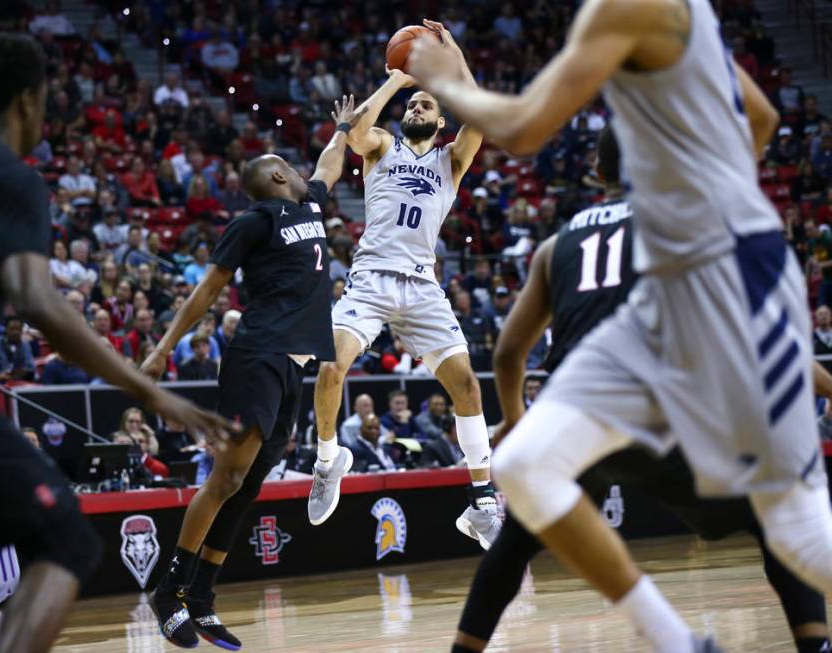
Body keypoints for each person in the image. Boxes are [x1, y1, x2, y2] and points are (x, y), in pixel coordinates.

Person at [410, 14, 832, 646]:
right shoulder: (682, 195)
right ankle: (808, 639)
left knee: (521, 512)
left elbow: (507, 349)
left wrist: (449, 78)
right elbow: (765, 120)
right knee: (784, 529)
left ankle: (473, 646)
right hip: (680, 383)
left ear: (596, 175)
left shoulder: (561, 242)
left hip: (595, 399)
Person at [0, 33, 229, 653]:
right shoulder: (11, 175)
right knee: (66, 534)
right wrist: (153, 393)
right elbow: (36, 301)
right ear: (28, 101)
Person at [139, 95, 359, 649]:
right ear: (280, 175)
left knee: (248, 486)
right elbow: (208, 289)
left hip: (292, 364)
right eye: (292, 167)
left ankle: (204, 600)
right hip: (258, 353)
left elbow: (333, 159)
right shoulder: (254, 220)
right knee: (227, 477)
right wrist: (164, 346)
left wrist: (345, 127)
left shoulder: (310, 203)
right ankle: (171, 592)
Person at [308, 20, 500, 551]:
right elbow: (355, 130)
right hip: (369, 280)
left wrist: (455, 53)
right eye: (412, 107)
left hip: (421, 286)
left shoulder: (451, 161)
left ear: (441, 121)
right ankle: (328, 462)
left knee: (467, 385)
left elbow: (479, 111)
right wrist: (398, 76)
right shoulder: (384, 148)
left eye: (425, 107)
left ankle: (482, 499)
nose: (416, 110)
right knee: (330, 366)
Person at [0, 316, 35, 380]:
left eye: (18, 329)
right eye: (12, 329)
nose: (15, 332)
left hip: (18, 382)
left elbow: (30, 367)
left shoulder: (25, 345)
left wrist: (19, 372)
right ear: (6, 329)